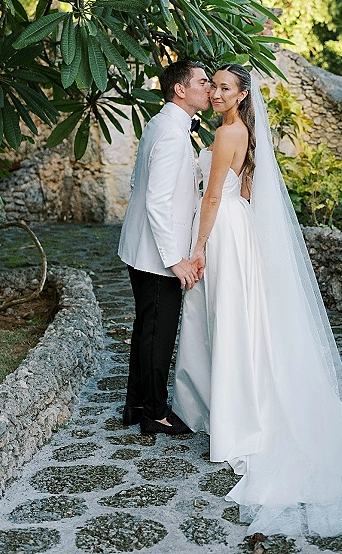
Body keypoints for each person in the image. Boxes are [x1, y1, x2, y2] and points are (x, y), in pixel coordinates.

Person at [173, 64, 342, 539]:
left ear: (241, 93)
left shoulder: (231, 132)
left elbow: (212, 198)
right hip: (236, 226)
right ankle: (223, 405)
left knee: (229, 322)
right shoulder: (233, 130)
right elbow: (244, 187)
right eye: (215, 87)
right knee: (229, 320)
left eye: (225, 89)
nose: (216, 94)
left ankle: (236, 417)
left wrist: (199, 247)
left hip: (222, 230)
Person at [118, 59, 211, 435]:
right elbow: (157, 201)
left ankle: (136, 404)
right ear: (181, 89)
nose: (209, 88)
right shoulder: (172, 134)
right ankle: (154, 414)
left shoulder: (162, 123)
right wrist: (176, 261)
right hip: (158, 257)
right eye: (203, 82)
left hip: (140, 248)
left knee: (145, 330)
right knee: (158, 334)